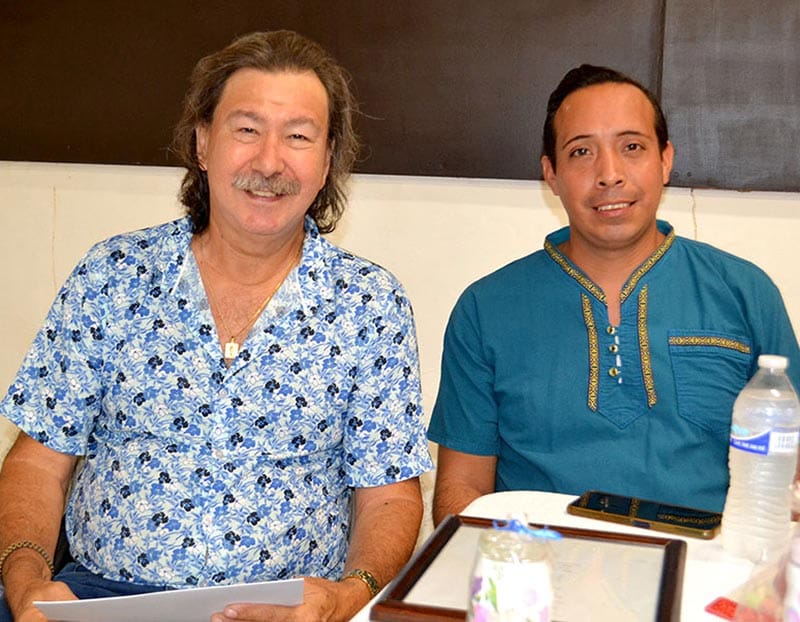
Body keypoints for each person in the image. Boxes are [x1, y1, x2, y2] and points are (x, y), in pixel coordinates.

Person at [0, 30, 433, 622]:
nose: (270, 162)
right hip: (101, 599)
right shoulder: (113, 275)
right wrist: (27, 582)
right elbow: (38, 462)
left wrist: (346, 595)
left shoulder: (370, 305)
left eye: (298, 137)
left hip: (282, 610)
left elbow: (388, 496)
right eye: (247, 130)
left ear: (328, 160)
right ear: (203, 143)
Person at [428, 64, 800, 524]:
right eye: (581, 151)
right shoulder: (486, 310)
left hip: (706, 560)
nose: (609, 174)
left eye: (632, 147)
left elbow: (791, 474)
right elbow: (462, 488)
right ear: (551, 174)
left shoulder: (745, 293)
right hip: (541, 561)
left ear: (665, 160)